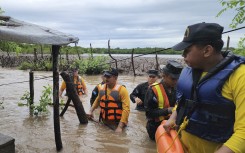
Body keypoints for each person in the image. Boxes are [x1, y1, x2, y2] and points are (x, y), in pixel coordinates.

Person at [164, 22, 245, 153]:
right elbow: (182, 102)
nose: (183, 55)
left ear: (207, 50)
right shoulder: (189, 71)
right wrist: (173, 117)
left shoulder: (240, 77)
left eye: (187, 50)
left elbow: (243, 134)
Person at [144, 60, 183, 140]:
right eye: (173, 79)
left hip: (172, 126)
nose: (176, 81)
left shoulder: (178, 88)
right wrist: (168, 110)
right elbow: (149, 113)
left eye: (177, 79)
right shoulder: (153, 89)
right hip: (155, 127)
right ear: (164, 75)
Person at [87, 68, 130, 133]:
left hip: (117, 123)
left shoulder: (122, 90)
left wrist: (120, 127)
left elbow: (126, 109)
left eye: (108, 77)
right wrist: (90, 111)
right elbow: (97, 100)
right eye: (105, 76)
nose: (106, 78)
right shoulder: (102, 88)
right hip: (103, 121)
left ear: (115, 78)